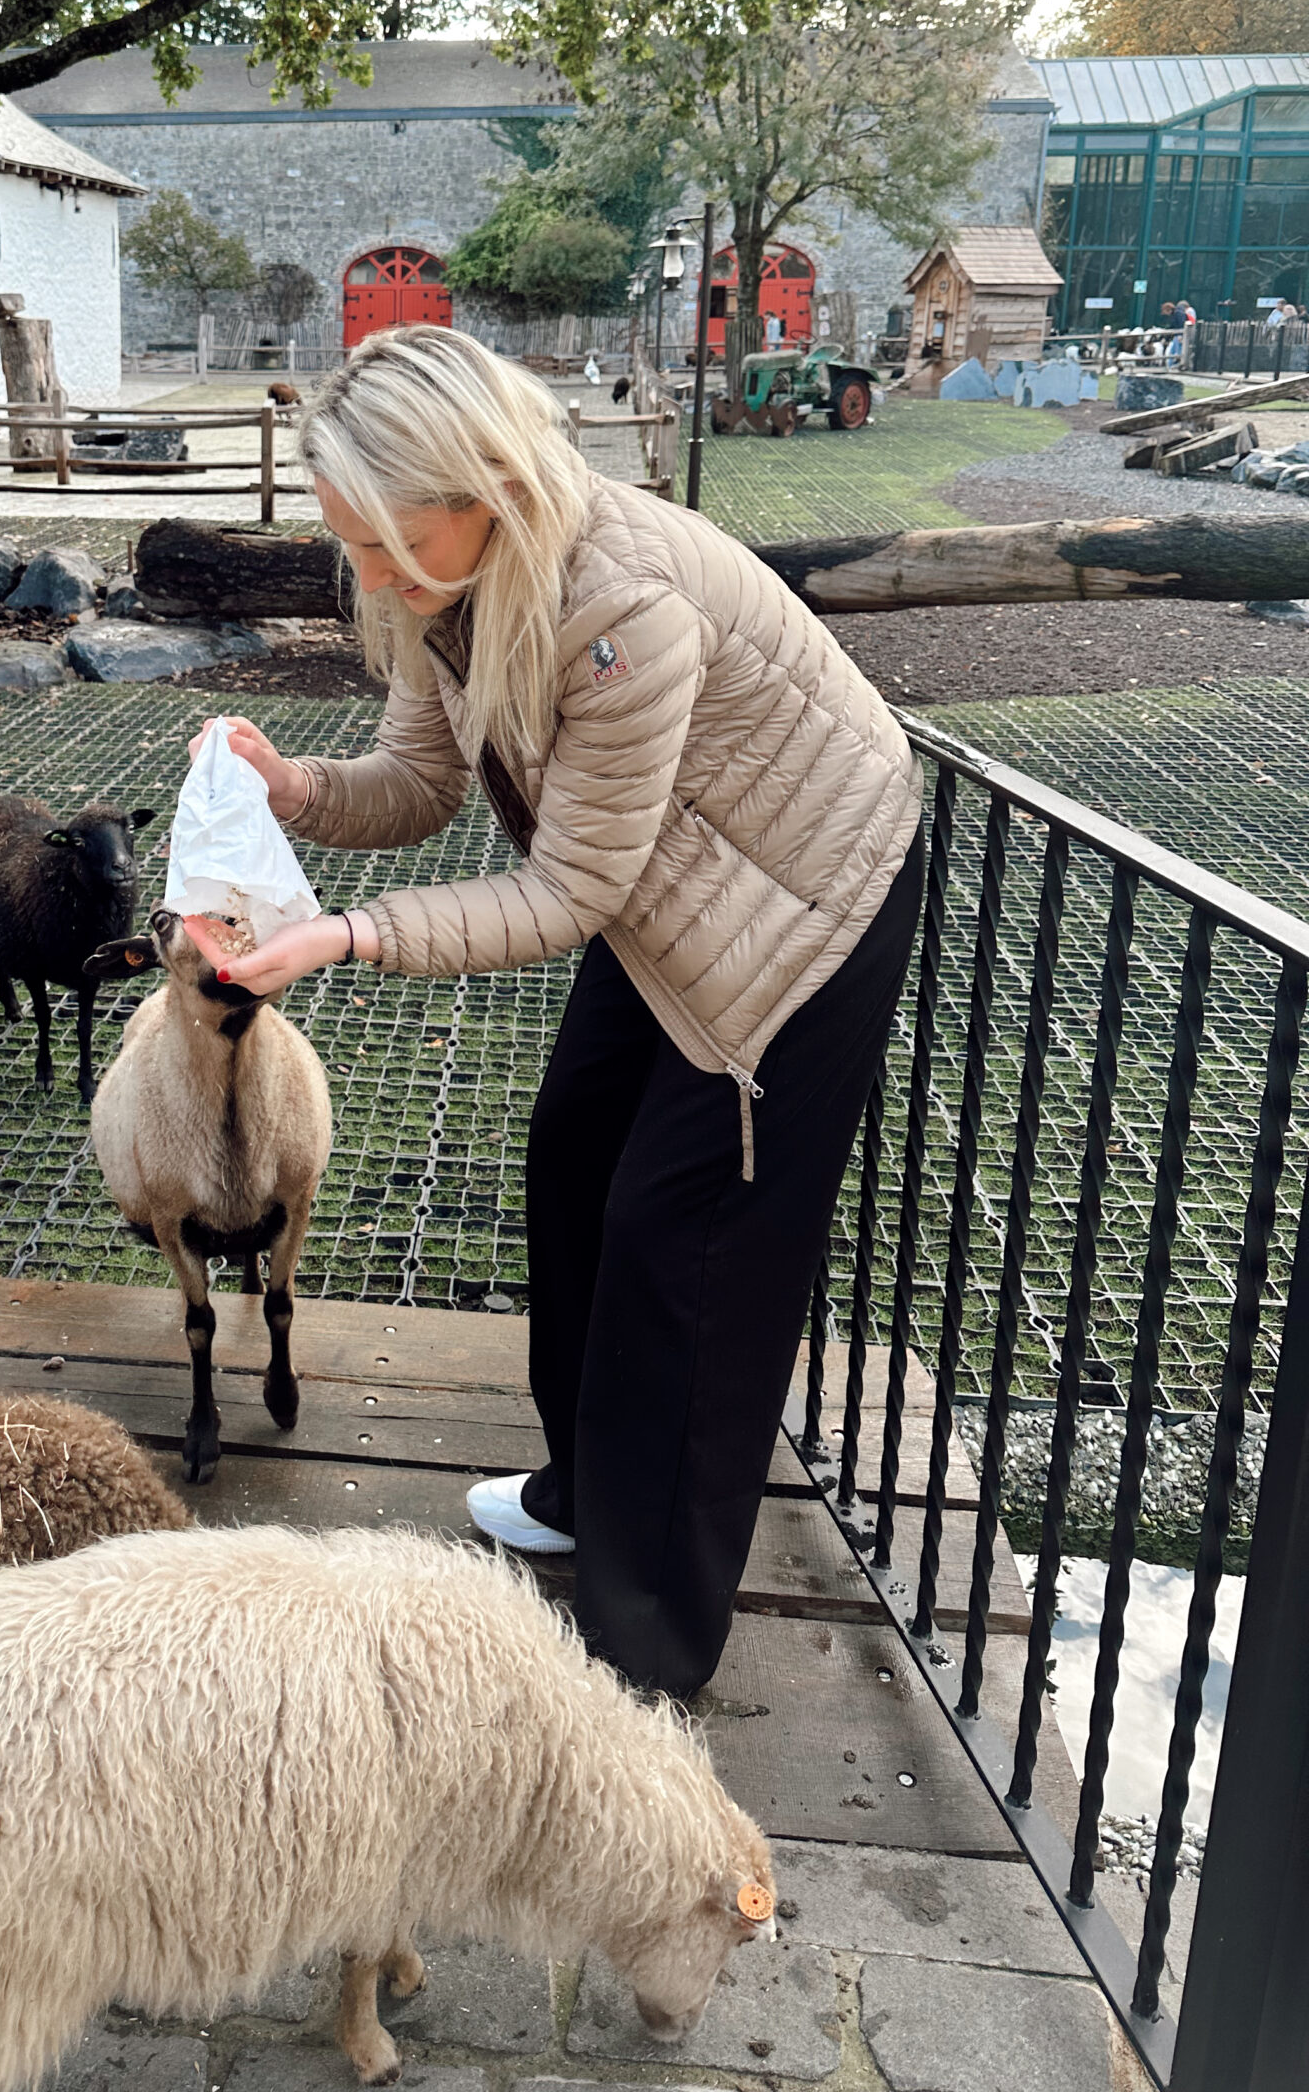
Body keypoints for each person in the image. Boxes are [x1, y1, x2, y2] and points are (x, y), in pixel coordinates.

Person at [201, 325, 924, 1701]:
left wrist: (346, 939)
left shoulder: (622, 599)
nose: (364, 576)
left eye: (377, 542)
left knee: (688, 1246)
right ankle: (593, 1491)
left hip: (806, 905)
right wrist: (294, 787)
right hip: (672, 881)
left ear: (480, 490)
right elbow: (419, 783)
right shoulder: (445, 586)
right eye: (349, 542)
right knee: (576, 1161)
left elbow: (570, 887)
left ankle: (641, 1653)